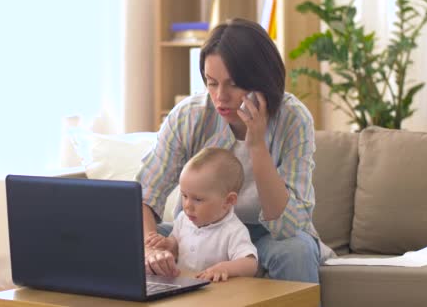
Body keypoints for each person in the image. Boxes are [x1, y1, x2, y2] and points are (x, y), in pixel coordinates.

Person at [137, 18, 320, 283]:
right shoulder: (190, 115)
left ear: (262, 80)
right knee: (125, 237)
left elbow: (286, 226)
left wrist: (257, 144)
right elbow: (145, 194)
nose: (220, 97)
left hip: (267, 235)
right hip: (197, 228)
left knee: (296, 250)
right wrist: (149, 246)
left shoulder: (294, 119)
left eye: (233, 84)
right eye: (212, 83)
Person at [144, 147, 258, 282]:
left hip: (215, 292)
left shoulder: (233, 230)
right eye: (184, 196)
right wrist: (168, 245)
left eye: (198, 199)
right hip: (182, 285)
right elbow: (177, 244)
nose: (187, 205)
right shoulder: (183, 219)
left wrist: (225, 268)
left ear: (228, 201)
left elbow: (250, 264)